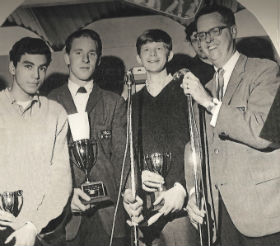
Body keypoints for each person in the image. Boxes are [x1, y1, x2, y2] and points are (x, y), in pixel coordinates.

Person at [181, 5, 280, 246]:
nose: (208, 40)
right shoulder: (207, 87)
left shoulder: (265, 71)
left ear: (233, 30)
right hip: (221, 216)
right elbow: (195, 147)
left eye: (215, 31)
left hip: (264, 215)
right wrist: (195, 193)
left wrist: (208, 102)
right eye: (202, 35)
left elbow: (264, 133)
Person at [48, 29, 127, 246]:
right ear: (66, 57)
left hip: (108, 214)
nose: (85, 59)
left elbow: (122, 159)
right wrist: (64, 199)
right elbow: (45, 163)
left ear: (98, 59)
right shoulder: (49, 102)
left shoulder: (114, 103)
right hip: (65, 218)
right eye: (78, 52)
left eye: (91, 53)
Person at [122, 29, 199, 246]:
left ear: (170, 54)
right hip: (146, 205)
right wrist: (138, 177)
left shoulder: (187, 94)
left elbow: (197, 147)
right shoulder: (132, 103)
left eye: (159, 48)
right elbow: (130, 153)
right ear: (138, 57)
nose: (153, 54)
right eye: (146, 49)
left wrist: (183, 187)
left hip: (180, 204)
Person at [0, 37, 72, 246]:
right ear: (13, 67)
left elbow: (61, 181)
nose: (36, 75)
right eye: (28, 66)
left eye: (42, 68)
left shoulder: (56, 113)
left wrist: (33, 226)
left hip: (41, 231)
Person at [185, 20, 215, 86]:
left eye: (201, 38)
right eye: (195, 41)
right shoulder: (190, 72)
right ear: (191, 44)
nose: (199, 45)